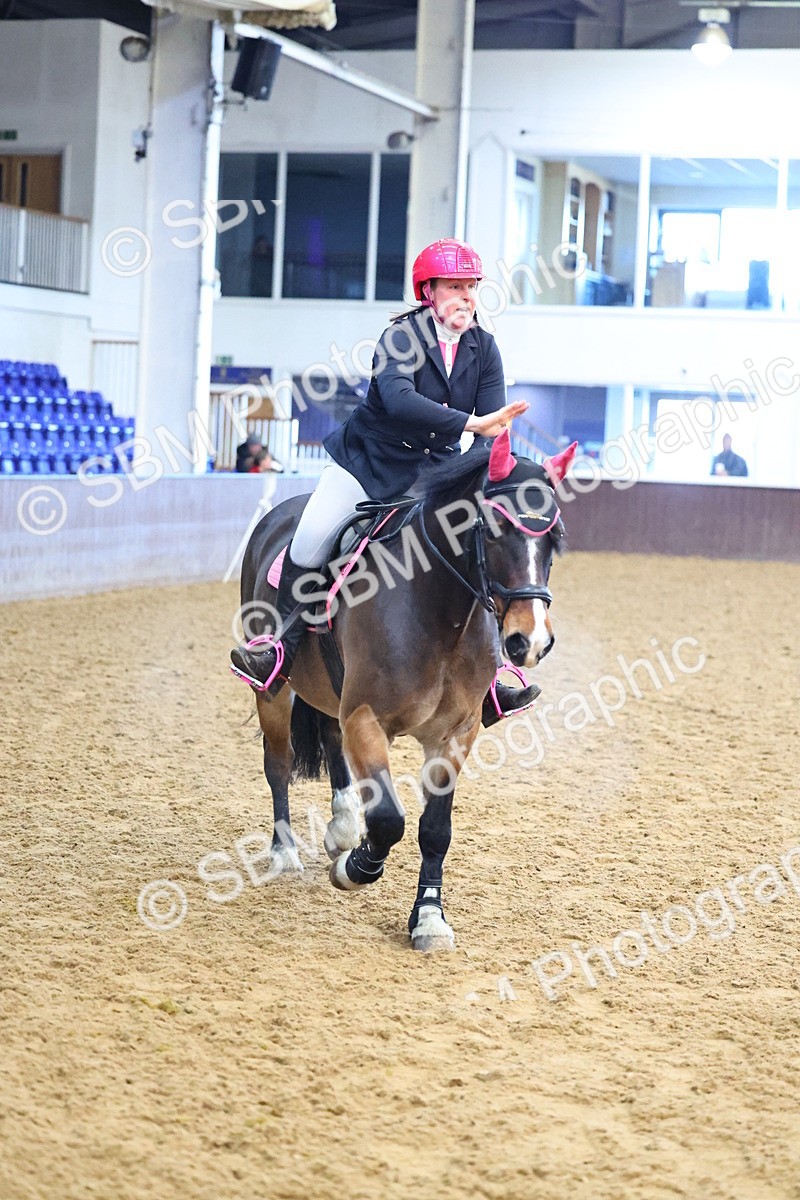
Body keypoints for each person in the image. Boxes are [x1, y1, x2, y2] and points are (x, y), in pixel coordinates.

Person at [231, 238, 538, 723]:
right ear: (429, 291)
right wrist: (470, 425)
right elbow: (399, 401)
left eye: (471, 287)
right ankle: (277, 651)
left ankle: (491, 674)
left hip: (432, 475)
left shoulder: (484, 347)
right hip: (366, 465)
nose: (465, 296)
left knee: (477, 550)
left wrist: (483, 472)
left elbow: (493, 427)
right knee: (310, 540)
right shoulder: (401, 338)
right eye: (454, 286)